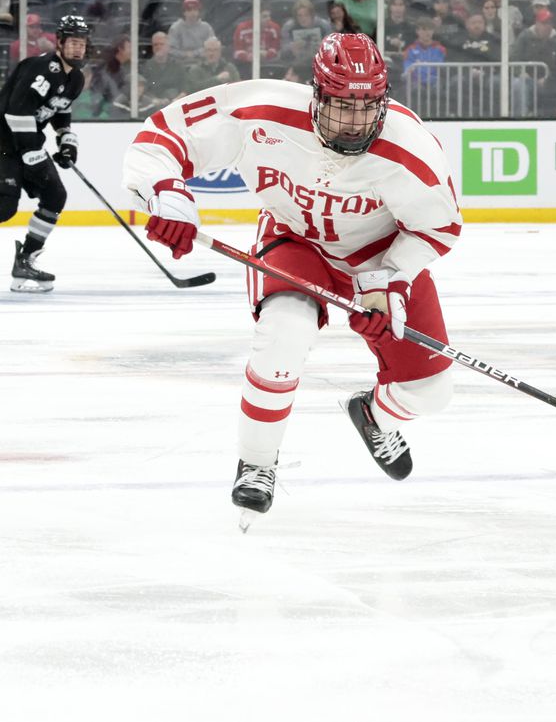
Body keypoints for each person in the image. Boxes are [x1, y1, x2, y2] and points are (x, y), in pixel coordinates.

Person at [121, 33, 463, 524]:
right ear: (316, 94)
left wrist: (388, 285)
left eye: (367, 107)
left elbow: (438, 228)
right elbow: (161, 138)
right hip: (294, 241)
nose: (354, 121)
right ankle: (257, 464)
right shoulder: (263, 110)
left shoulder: (411, 148)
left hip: (378, 257)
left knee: (431, 393)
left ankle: (373, 416)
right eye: (341, 106)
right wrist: (168, 197)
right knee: (285, 333)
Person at [0, 15, 90, 292]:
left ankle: (25, 260)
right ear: (60, 42)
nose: (78, 49)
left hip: (27, 144)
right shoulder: (42, 68)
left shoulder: (75, 78)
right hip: (4, 143)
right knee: (4, 207)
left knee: (55, 195)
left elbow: (60, 109)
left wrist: (66, 140)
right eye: (73, 42)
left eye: (82, 44)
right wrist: (31, 151)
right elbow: (16, 111)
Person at [168, 0, 216, 64]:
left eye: (195, 10)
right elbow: (170, 49)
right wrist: (184, 54)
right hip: (180, 64)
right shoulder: (175, 28)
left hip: (202, 64)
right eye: (189, 10)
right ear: (184, 12)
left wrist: (194, 54)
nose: (192, 13)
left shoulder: (206, 27)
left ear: (199, 12)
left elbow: (213, 47)